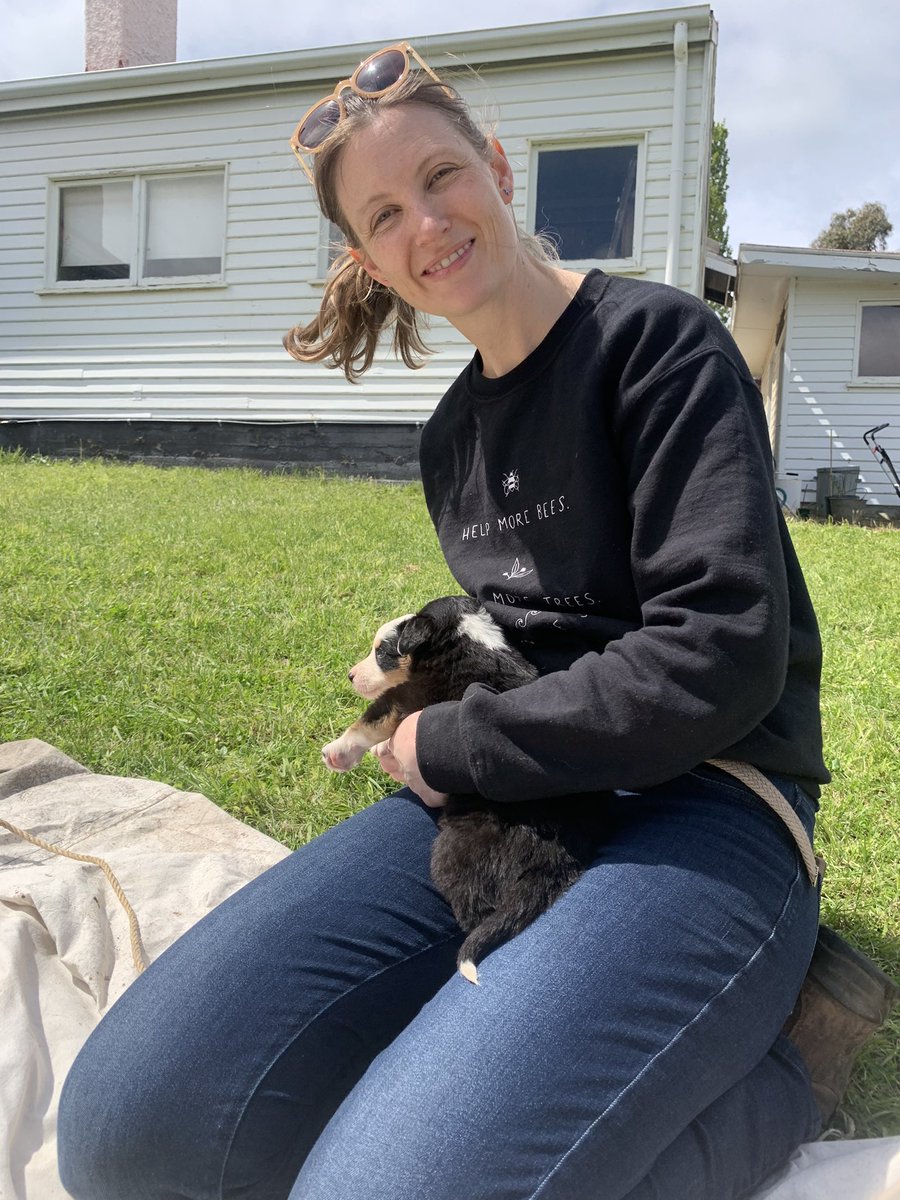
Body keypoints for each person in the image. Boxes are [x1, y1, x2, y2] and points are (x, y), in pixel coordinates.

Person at [58, 44, 896, 1200]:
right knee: (123, 1129)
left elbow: (717, 657)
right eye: (387, 213)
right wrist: (423, 667)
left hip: (709, 803)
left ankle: (788, 1065)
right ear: (371, 261)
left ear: (499, 170)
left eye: (443, 177)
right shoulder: (453, 436)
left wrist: (446, 747)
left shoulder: (656, 347)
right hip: (516, 803)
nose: (428, 223)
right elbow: (519, 627)